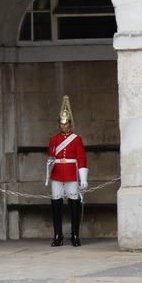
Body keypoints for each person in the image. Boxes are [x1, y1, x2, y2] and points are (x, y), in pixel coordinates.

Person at [46, 96, 88, 247]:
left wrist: (83, 178)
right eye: (61, 123)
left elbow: (81, 159)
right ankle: (58, 235)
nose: (63, 126)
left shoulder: (76, 139)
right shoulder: (54, 139)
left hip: (71, 173)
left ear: (70, 123)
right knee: (56, 203)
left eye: (65, 123)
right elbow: (51, 156)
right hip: (57, 173)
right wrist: (49, 163)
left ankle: (75, 235)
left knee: (74, 204)